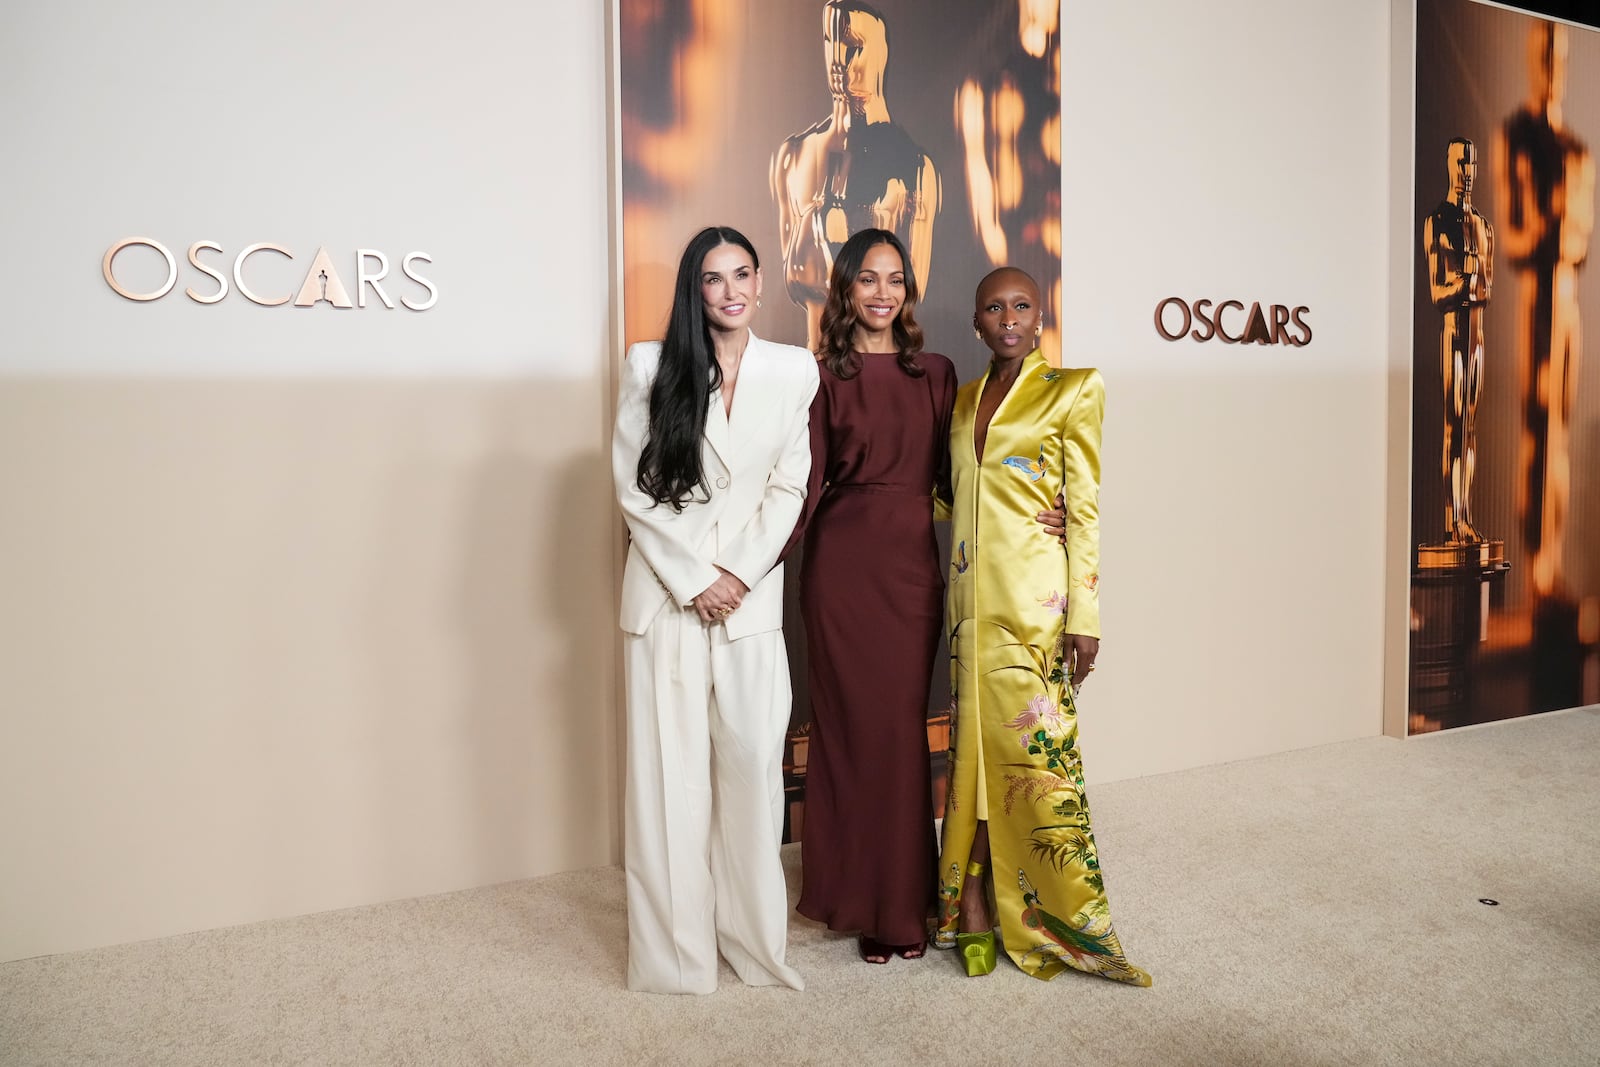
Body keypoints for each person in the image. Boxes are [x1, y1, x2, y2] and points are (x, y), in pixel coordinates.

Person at [789, 231, 1066, 965]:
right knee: (847, 736)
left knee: (900, 733)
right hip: (840, 571)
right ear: (844, 289)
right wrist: (743, 564)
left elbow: (965, 476)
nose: (882, 294)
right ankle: (853, 898)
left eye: (895, 280)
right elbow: (803, 486)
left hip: (912, 571)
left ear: (909, 292)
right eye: (867, 280)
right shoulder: (816, 376)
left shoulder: (937, 374)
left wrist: (1046, 505)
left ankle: (903, 899)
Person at [611, 226, 819, 995]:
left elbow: (789, 487)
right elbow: (635, 489)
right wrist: (697, 577)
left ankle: (755, 947)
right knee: (670, 782)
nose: (729, 290)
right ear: (693, 290)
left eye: (741, 274)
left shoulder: (795, 370)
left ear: (761, 282)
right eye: (711, 278)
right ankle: (675, 962)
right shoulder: (650, 364)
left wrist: (734, 573)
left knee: (753, 774)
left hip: (750, 599)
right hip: (668, 599)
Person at [934, 267, 1150, 986]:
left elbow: (1083, 506)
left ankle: (1048, 916)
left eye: (1021, 304)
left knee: (1035, 769)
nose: (1008, 317)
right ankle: (970, 905)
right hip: (968, 609)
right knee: (973, 758)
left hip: (1035, 608)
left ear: (1041, 315)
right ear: (977, 321)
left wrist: (1084, 616)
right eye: (993, 306)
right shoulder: (961, 403)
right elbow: (946, 495)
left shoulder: (1074, 389)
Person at [771, 0, 940, 349]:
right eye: (831, 42)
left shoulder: (914, 167)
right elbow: (796, 280)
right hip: (815, 369)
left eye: (853, 45)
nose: (838, 59)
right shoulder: (795, 155)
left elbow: (911, 286)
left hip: (880, 364)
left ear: (881, 54)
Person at [1422, 137, 1494, 544]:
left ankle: (1466, 515)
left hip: (1478, 339)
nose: (1466, 173)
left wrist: (1467, 281)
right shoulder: (1438, 221)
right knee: (1455, 425)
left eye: (1471, 165)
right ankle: (1455, 520)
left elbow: (1488, 289)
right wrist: (1468, 279)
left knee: (1470, 428)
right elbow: (1439, 293)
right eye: (1460, 164)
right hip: (1454, 336)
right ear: (1449, 166)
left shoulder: (1484, 227)